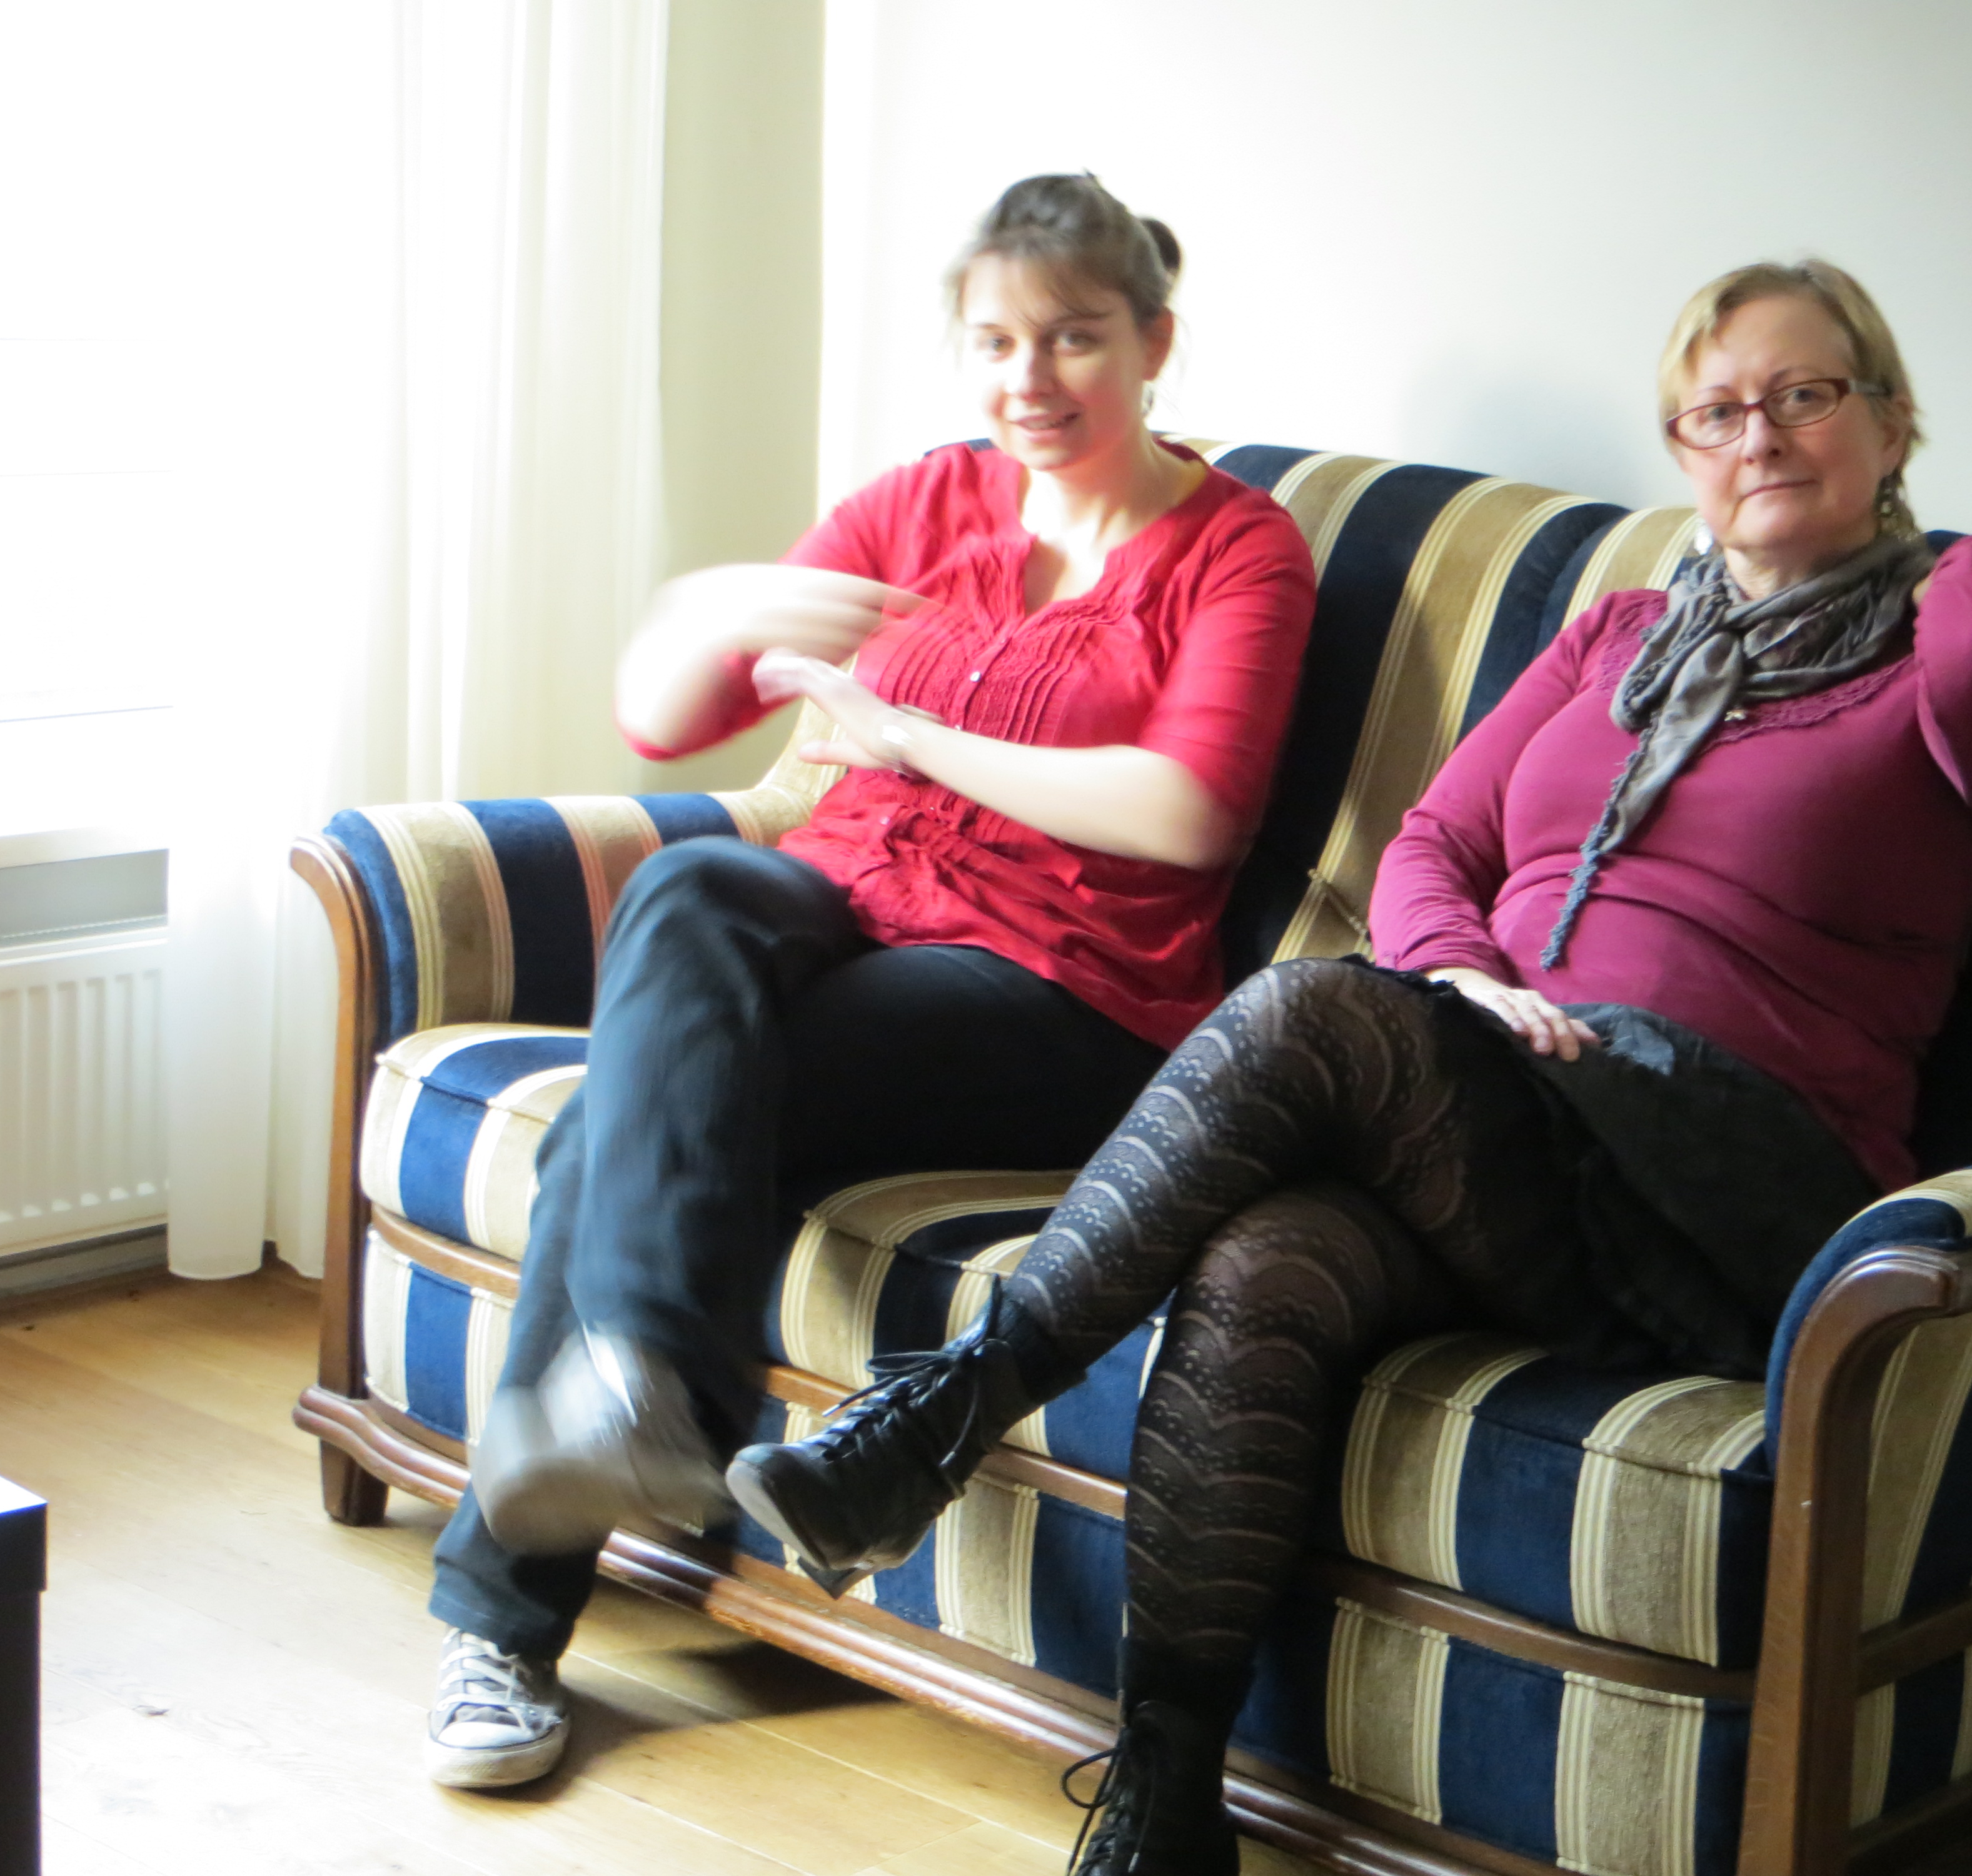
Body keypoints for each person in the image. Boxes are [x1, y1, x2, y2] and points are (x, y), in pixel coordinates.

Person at [725, 258, 1972, 1874]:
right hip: (1516, 1127)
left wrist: (1957, 545)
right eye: (1717, 413)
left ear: (1892, 417)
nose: (1761, 439)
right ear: (1678, 448)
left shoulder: (1951, 647)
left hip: (1737, 1176)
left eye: (1806, 397)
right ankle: (1164, 1803)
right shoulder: (1621, 634)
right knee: (1265, 1261)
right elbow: (1435, 840)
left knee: (1312, 1012)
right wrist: (1467, 985)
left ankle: (938, 1422)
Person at [421, 174, 1318, 1791]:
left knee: (624, 1121)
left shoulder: (1237, 549)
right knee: (691, 885)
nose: (1030, 379)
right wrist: (708, 608)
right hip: (848, 905)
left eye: (1075, 338)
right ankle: (636, 1393)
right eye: (996, 342)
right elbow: (665, 719)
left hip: (1063, 991)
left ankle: (507, 1612)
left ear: (1155, 342)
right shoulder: (923, 503)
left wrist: (905, 732)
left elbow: (1186, 814)